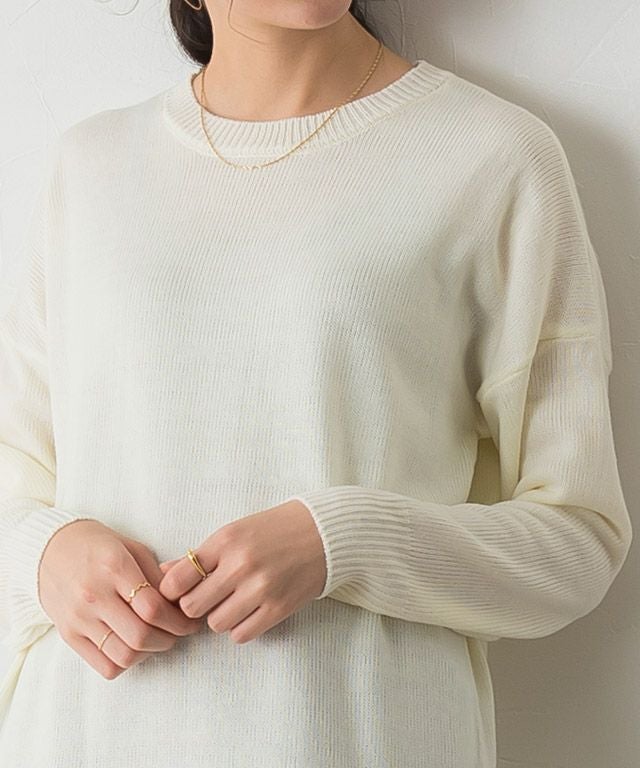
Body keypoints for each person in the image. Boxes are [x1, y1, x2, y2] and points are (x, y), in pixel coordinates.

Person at [0, 1, 633, 766]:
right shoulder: (90, 167)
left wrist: (345, 542)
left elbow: (579, 540)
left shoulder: (492, 156)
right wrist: (44, 553)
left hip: (353, 740)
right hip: (79, 737)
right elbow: (17, 477)